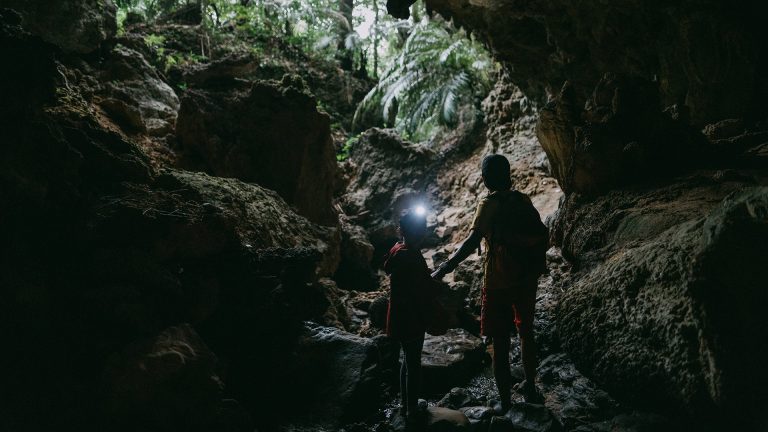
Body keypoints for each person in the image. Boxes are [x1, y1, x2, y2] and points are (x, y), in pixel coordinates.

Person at [432, 154, 548, 410]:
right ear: (508, 175)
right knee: (527, 333)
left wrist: (444, 268)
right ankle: (530, 386)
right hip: (526, 278)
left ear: (485, 180)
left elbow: (472, 242)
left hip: (498, 281)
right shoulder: (523, 199)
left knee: (500, 341)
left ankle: (505, 401)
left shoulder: (489, 203)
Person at [384, 210, 442, 421]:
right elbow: (425, 287)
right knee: (414, 363)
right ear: (420, 232)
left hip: (398, 315)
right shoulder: (413, 255)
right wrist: (440, 287)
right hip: (412, 317)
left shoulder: (396, 250)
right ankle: (411, 409)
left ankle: (403, 402)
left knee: (405, 360)